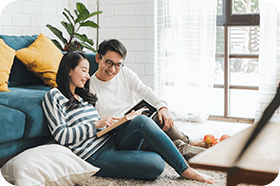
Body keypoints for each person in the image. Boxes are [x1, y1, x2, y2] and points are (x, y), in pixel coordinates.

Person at [42, 51, 216, 184]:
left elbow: (99, 128)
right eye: (84, 70)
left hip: (109, 140)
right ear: (69, 71)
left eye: (88, 71)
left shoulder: (84, 96)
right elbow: (61, 136)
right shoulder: (54, 96)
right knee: (157, 164)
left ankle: (185, 170)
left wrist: (117, 123)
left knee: (141, 120)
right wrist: (96, 124)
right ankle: (182, 153)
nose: (87, 76)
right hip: (94, 154)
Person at [89, 39, 206, 160]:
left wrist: (162, 107)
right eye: (108, 62)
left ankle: (213, 155)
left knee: (163, 122)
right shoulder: (89, 88)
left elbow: (144, 91)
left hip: (137, 123)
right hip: (119, 137)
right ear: (98, 58)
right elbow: (96, 125)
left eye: (118, 65)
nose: (112, 70)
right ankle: (191, 142)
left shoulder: (124, 73)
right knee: (156, 126)